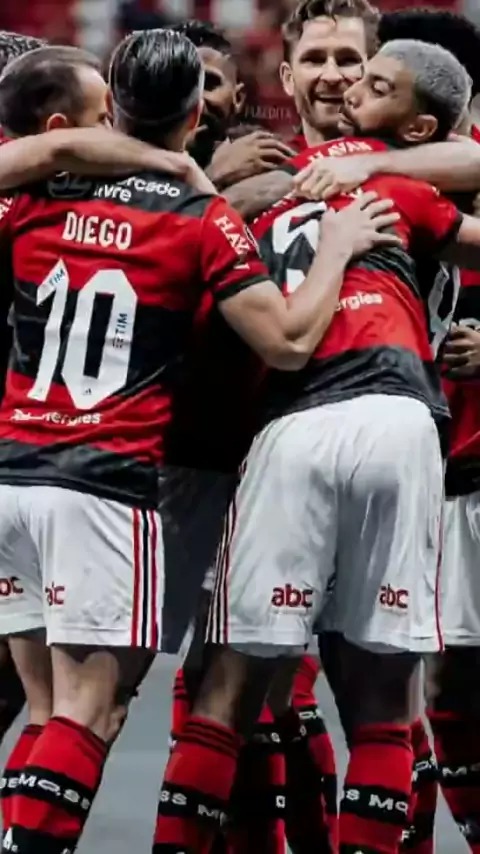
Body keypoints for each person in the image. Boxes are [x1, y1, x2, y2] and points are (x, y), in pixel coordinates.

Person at [0, 33, 398, 854]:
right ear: (193, 114)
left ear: (114, 111)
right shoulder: (198, 214)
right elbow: (287, 341)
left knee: (50, 709)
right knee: (97, 710)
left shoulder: (35, 198)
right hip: (115, 480)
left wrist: (83, 151)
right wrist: (334, 246)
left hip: (16, 470)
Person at [152, 38, 480, 854]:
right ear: (290, 75)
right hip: (401, 415)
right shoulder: (406, 184)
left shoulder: (256, 193)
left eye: (365, 72)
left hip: (290, 422)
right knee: (386, 702)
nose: (346, 81)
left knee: (226, 687)